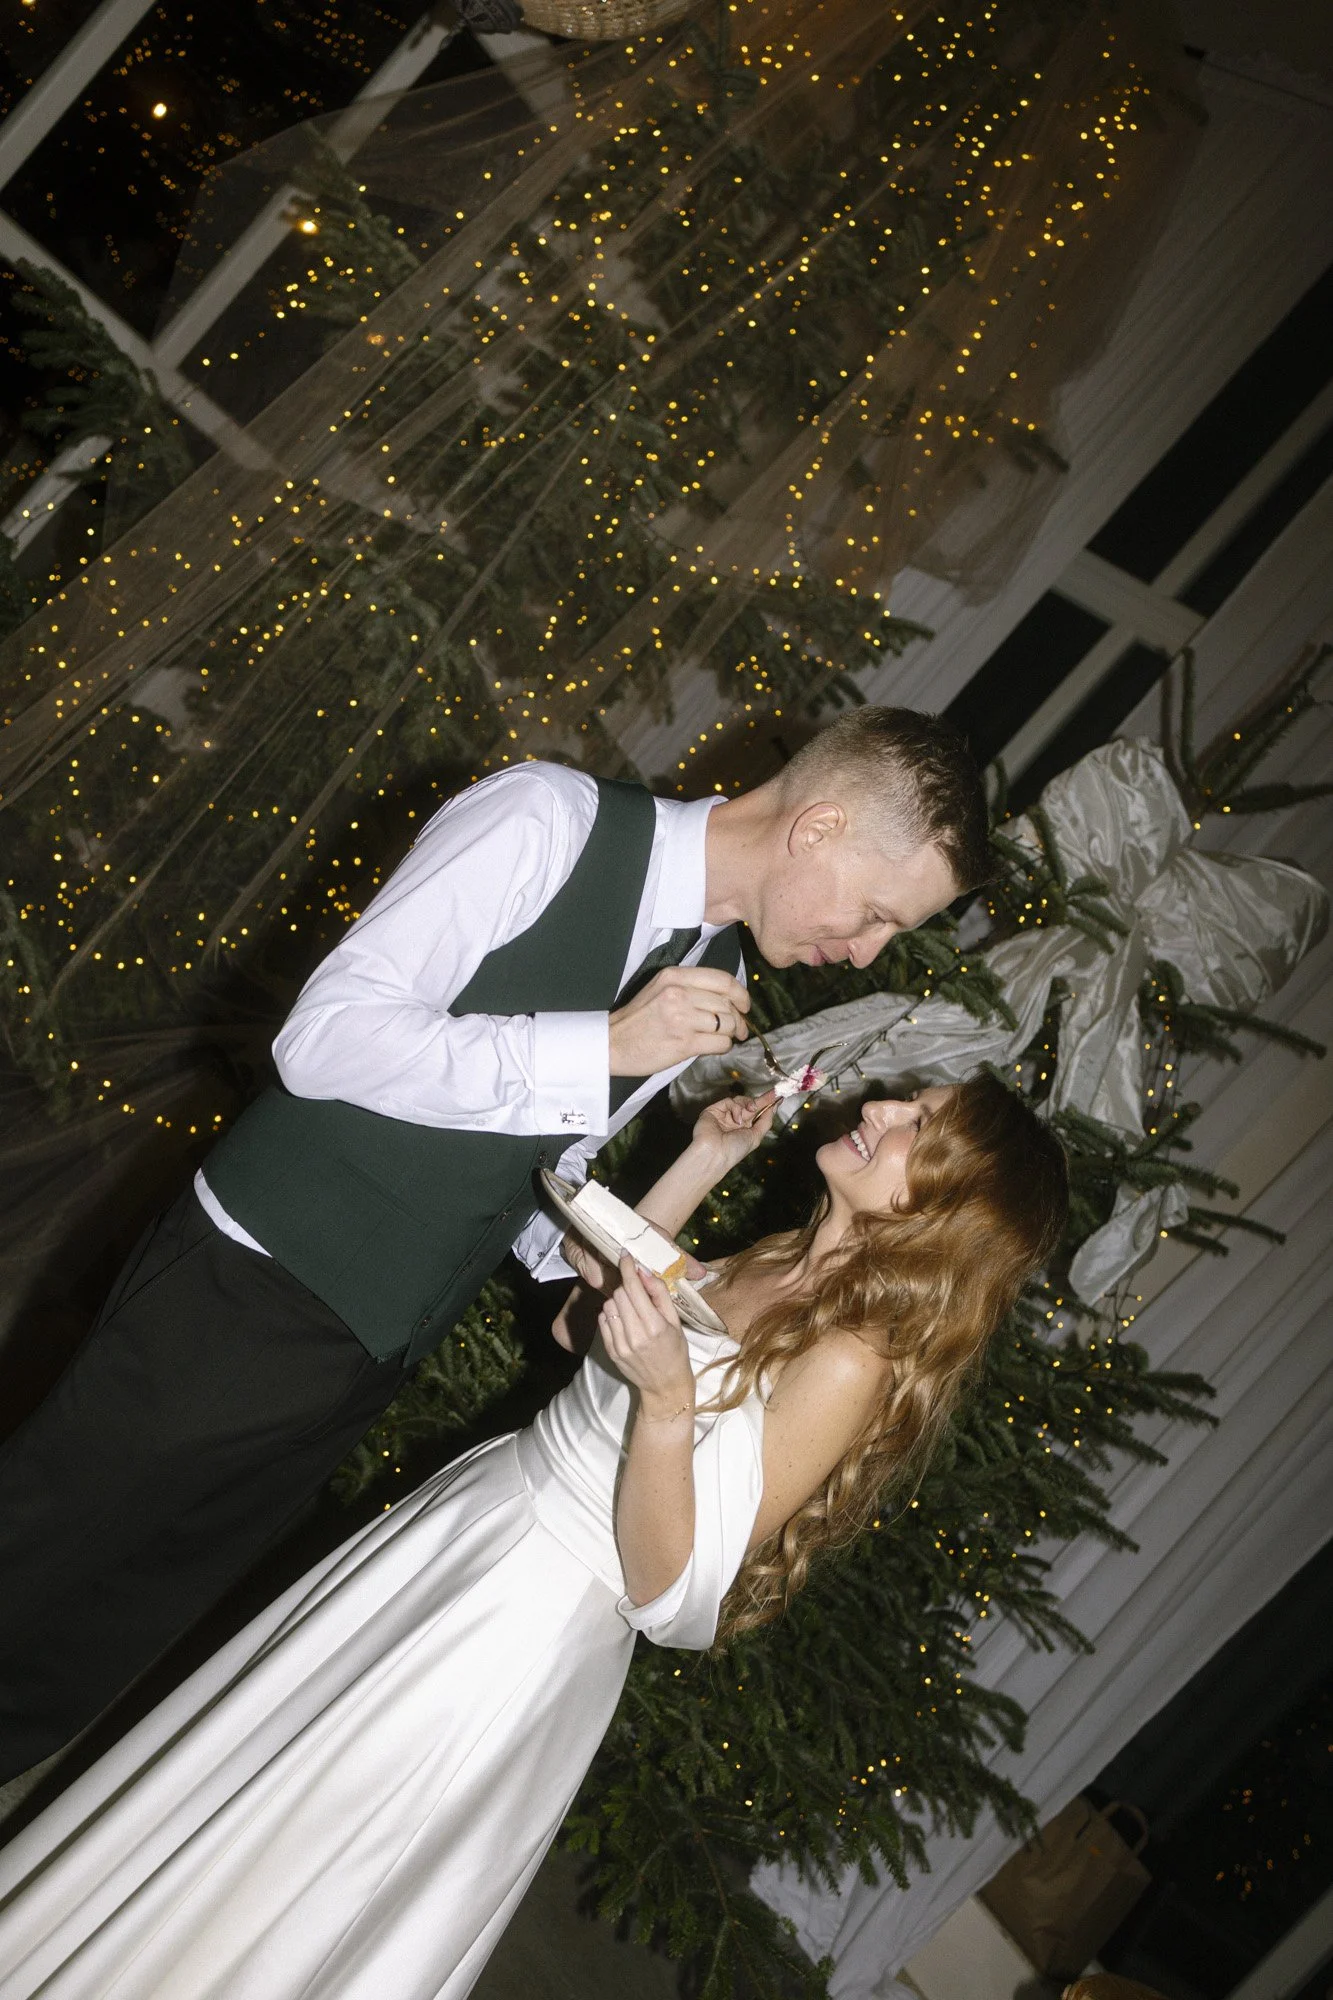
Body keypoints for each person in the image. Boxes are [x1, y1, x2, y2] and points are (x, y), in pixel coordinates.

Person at [0, 706, 990, 1781]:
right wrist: (603, 1042)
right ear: (820, 827)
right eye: (876, 914)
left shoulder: (717, 976)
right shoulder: (544, 819)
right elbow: (321, 1038)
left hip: (369, 1354)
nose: (866, 951)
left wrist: (609, 1236)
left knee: (96, 1643)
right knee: (33, 1551)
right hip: (250, 1277)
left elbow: (536, 1168)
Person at [0, 1069, 1067, 1999]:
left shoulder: (848, 1358)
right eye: (905, 1099)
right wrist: (702, 1157)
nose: (881, 1107)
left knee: (310, 1841)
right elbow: (579, 1319)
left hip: (523, 1619)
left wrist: (666, 1404)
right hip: (474, 1524)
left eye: (918, 1123)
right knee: (252, 1776)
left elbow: (674, 1596)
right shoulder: (784, 1258)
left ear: (945, 1207)